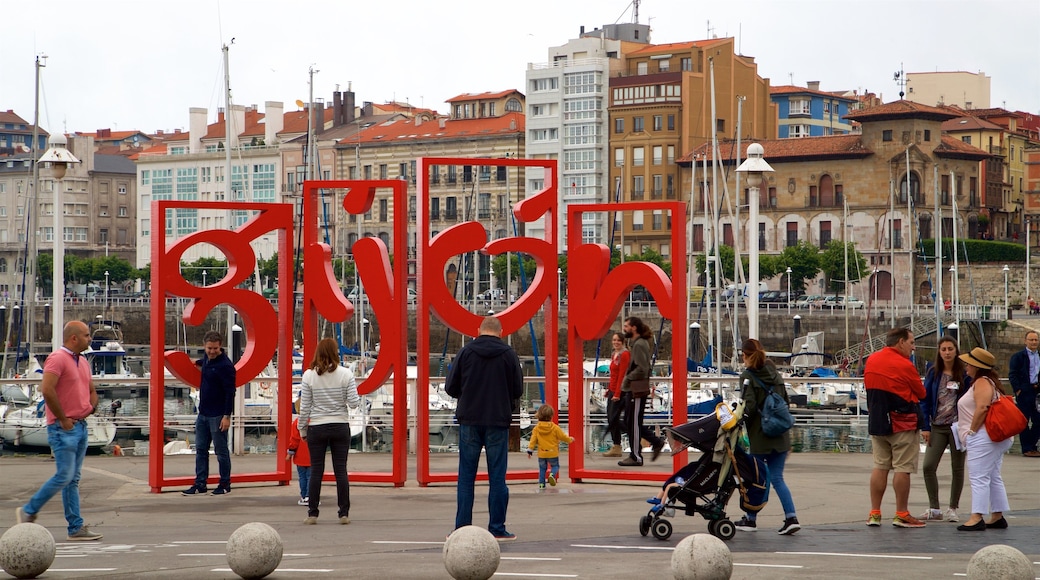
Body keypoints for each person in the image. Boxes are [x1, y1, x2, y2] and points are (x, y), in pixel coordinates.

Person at [16, 321, 103, 541]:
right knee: (64, 475)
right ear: (73, 338)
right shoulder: (57, 359)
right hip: (64, 428)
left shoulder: (82, 361)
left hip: (80, 426)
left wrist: (91, 407)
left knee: (72, 479)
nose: (89, 338)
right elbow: (47, 389)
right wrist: (63, 419)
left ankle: (75, 526)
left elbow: (91, 390)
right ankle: (29, 510)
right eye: (86, 335)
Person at [445, 316, 524, 541]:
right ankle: (497, 527)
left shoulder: (466, 352)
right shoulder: (508, 355)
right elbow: (517, 389)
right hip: (497, 420)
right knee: (497, 477)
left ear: (478, 330)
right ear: (501, 332)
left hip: (469, 419)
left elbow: (450, 387)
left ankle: (462, 526)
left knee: (466, 477)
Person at [732, 338, 801, 535]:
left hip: (760, 437)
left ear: (745, 355)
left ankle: (750, 519)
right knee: (777, 478)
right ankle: (791, 517)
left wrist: (738, 419)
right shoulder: (775, 374)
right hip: (780, 434)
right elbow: (785, 401)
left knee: (755, 479)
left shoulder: (747, 376)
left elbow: (750, 407)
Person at [863, 327, 927, 528]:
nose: (913, 347)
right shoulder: (905, 365)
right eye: (911, 342)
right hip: (903, 423)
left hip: (878, 422)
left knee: (880, 466)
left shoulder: (871, 360)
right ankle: (901, 513)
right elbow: (921, 393)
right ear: (900, 342)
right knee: (903, 468)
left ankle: (874, 513)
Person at [298, 337, 360, 525]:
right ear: (336, 352)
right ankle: (343, 513)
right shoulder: (346, 374)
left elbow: (305, 407)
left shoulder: (308, 376)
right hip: (340, 425)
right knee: (341, 470)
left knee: (316, 470)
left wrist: (302, 428)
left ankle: (313, 513)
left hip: (317, 427)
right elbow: (354, 403)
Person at [955, 347, 1013, 531]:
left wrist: (971, 432)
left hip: (983, 436)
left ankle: (976, 516)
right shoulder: (989, 382)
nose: (966, 366)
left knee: (978, 477)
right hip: (994, 437)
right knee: (993, 475)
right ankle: (997, 515)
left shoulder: (981, 382)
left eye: (968, 363)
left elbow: (982, 408)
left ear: (976, 366)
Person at [918, 336, 969, 522]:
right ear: (939, 352)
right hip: (937, 426)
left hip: (957, 427)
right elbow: (924, 400)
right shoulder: (933, 372)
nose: (947, 352)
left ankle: (953, 508)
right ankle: (934, 508)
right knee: (928, 466)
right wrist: (925, 426)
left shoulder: (964, 373)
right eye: (943, 349)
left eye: (950, 349)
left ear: (956, 351)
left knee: (957, 468)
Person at [182, 331, 236, 496]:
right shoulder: (206, 359)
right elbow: (202, 361)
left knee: (221, 451)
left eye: (215, 348)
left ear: (220, 347)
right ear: (204, 346)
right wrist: (195, 362)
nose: (212, 351)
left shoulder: (226, 366)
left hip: (218, 415)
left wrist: (227, 416)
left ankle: (225, 483)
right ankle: (200, 483)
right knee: (200, 450)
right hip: (203, 413)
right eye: (209, 348)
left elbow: (230, 393)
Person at [618, 316, 665, 467]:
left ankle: (636, 456)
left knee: (633, 422)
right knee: (629, 421)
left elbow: (643, 368)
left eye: (626, 326)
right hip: (633, 389)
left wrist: (628, 378)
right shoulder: (637, 343)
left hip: (636, 390)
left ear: (634, 328)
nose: (624, 329)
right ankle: (654, 442)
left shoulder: (639, 344)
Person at [1007, 330, 1040, 457]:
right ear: (1025, 341)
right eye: (1031, 340)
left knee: (1038, 420)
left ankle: (1031, 446)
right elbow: (1013, 374)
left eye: (1035, 340)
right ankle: (1027, 448)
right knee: (1023, 421)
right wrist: (1018, 389)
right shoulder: (1018, 357)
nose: (1033, 342)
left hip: (1037, 392)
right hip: (1024, 391)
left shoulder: (1039, 356)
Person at [527, 404, 574, 488]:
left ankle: (541, 484)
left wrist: (530, 450)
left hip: (542, 453)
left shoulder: (536, 428)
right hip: (553, 452)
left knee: (542, 469)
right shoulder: (555, 428)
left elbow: (533, 440)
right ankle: (552, 474)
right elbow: (562, 436)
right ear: (551, 416)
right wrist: (570, 439)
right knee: (555, 466)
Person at [602, 331, 630, 458]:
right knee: (611, 418)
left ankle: (636, 434)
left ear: (623, 342)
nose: (616, 342)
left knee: (614, 419)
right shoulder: (614, 354)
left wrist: (618, 393)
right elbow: (613, 375)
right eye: (614, 340)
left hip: (620, 391)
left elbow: (622, 375)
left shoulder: (624, 355)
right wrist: (609, 390)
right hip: (613, 390)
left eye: (618, 340)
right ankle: (616, 445)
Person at [287, 410, 312, 506]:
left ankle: (303, 496)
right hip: (313, 455)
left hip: (299, 455)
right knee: (311, 477)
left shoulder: (297, 422)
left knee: (302, 477)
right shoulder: (315, 421)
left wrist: (290, 453)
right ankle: (310, 496)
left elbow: (294, 439)